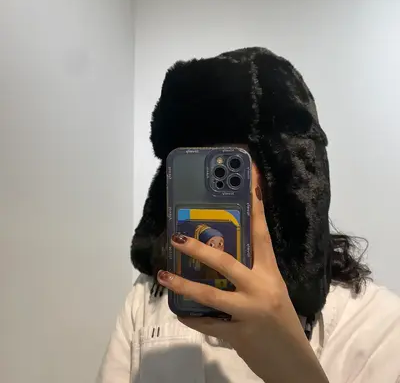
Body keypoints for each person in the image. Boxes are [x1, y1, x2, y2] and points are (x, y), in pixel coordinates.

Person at [97, 47, 400, 383]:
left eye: (231, 170)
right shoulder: (148, 298)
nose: (210, 197)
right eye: (194, 169)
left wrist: (295, 372)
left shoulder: (379, 325)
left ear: (289, 176)